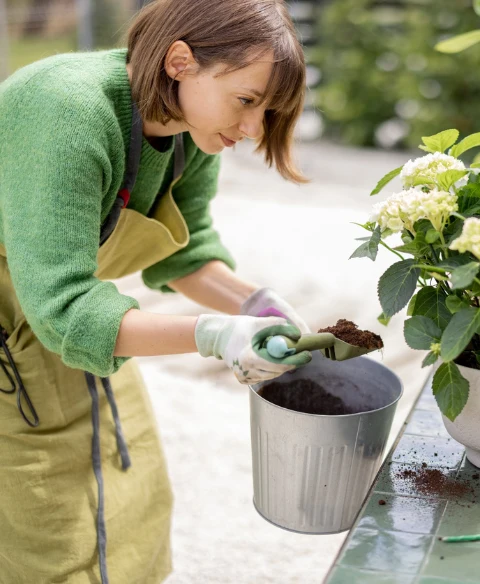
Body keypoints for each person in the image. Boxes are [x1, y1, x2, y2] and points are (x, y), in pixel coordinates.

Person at [0, 0, 312, 581]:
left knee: (132, 480)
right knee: (45, 520)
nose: (252, 130)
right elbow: (64, 309)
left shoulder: (196, 132)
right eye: (246, 101)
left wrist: (252, 305)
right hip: (21, 315)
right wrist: (213, 335)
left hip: (67, 303)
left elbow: (185, 255)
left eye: (267, 112)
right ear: (179, 62)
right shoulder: (68, 111)